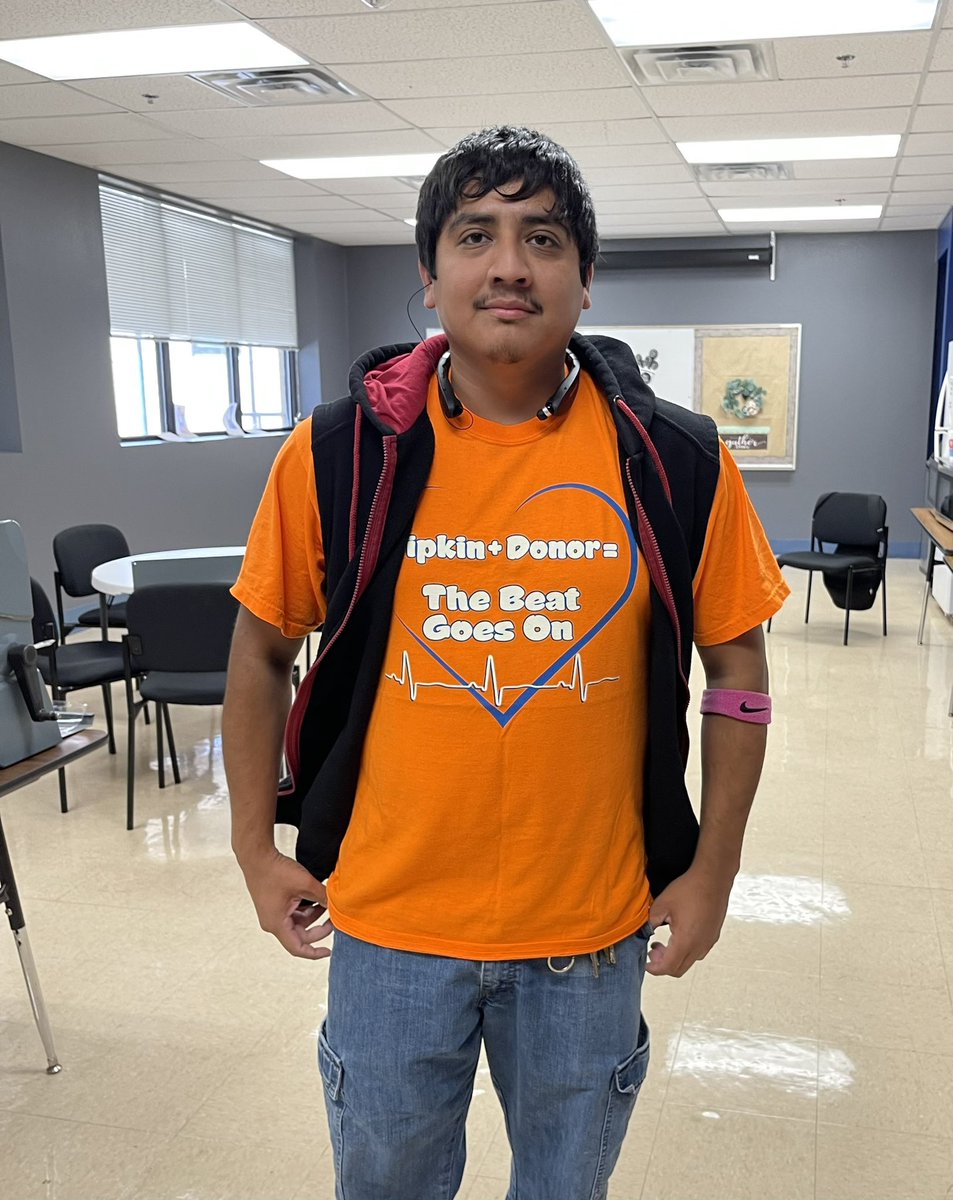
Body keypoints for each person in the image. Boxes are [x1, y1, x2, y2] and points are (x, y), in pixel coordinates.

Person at [224, 125, 789, 1200]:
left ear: (584, 281)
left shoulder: (671, 461)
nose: (508, 265)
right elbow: (259, 652)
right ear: (429, 278)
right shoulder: (339, 453)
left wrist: (711, 869)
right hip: (387, 933)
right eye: (474, 235)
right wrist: (255, 848)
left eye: (542, 238)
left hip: (589, 938)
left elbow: (739, 674)